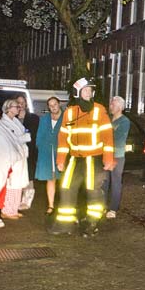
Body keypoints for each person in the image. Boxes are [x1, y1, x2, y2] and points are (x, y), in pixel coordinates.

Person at [51, 78, 115, 236]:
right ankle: (65, 224)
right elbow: (63, 138)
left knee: (93, 191)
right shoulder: (70, 112)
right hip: (75, 159)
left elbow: (107, 137)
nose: (88, 93)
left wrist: (108, 159)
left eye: (90, 90)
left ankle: (92, 223)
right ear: (77, 93)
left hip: (94, 159)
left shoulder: (99, 110)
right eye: (85, 90)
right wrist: (60, 160)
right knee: (66, 188)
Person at [0, 99, 30, 220]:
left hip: (20, 155)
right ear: (8, 108)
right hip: (12, 156)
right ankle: (7, 210)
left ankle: (14, 208)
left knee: (19, 183)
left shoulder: (15, 121)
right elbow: (12, 138)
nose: (18, 108)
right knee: (12, 183)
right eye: (16, 106)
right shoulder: (4, 122)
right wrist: (25, 137)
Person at [35, 97, 64, 215]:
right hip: (47, 153)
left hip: (62, 152)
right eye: (51, 106)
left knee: (64, 179)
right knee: (50, 179)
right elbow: (39, 136)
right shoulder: (45, 119)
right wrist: (41, 147)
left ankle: (64, 204)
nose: (53, 107)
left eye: (55, 104)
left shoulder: (66, 117)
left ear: (59, 104)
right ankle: (51, 205)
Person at [105, 96, 130, 219]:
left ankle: (113, 208)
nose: (110, 107)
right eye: (111, 104)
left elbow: (118, 139)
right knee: (104, 182)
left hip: (117, 156)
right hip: (105, 155)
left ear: (120, 107)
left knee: (115, 182)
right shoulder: (108, 120)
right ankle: (102, 206)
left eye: (113, 105)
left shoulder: (124, 122)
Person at [15, 94, 39, 211]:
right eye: (18, 102)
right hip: (16, 152)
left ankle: (26, 201)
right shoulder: (11, 118)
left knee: (29, 176)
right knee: (17, 177)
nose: (20, 105)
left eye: (22, 102)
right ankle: (16, 200)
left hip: (30, 152)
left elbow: (34, 136)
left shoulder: (33, 118)